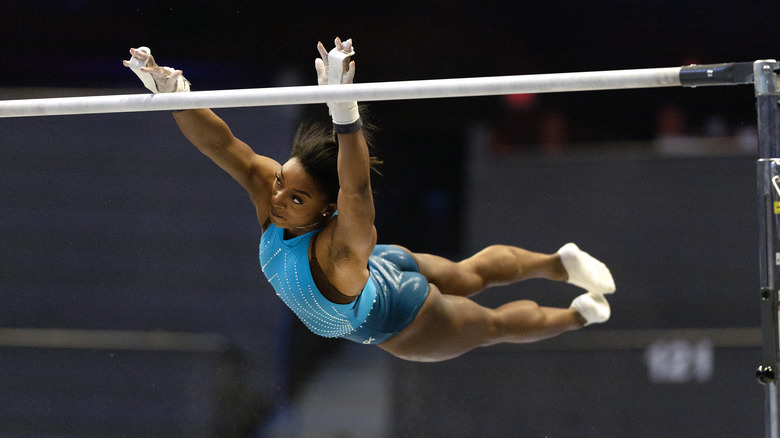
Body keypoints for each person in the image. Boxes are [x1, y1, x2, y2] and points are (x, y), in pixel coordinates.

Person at [123, 38, 615, 363]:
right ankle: (560, 265)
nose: (278, 199)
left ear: (327, 210)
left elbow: (355, 189)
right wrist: (174, 93)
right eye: (280, 185)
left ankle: (579, 313)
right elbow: (222, 145)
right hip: (386, 269)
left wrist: (345, 110)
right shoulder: (274, 197)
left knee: (493, 325)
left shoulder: (340, 248)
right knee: (470, 275)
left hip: (403, 317)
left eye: (296, 198)